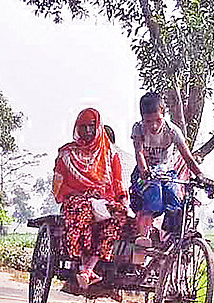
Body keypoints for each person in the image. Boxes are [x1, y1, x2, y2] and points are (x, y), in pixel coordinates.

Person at [53, 108, 128, 288]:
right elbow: (58, 187)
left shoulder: (110, 154)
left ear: (98, 127)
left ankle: (89, 268)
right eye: (83, 127)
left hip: (103, 201)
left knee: (119, 215)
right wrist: (82, 194)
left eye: (91, 127)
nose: (87, 131)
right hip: (76, 202)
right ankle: (81, 265)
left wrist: (123, 200)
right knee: (84, 210)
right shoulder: (67, 154)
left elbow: (118, 182)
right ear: (77, 128)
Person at [130, 91, 204, 247]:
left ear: (163, 113)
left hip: (166, 173)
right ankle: (142, 239)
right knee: (154, 198)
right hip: (145, 174)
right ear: (143, 119)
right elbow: (139, 153)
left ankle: (167, 239)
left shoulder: (172, 131)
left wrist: (201, 176)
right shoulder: (138, 129)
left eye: (158, 120)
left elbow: (188, 158)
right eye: (149, 121)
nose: (154, 126)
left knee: (175, 203)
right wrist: (144, 172)